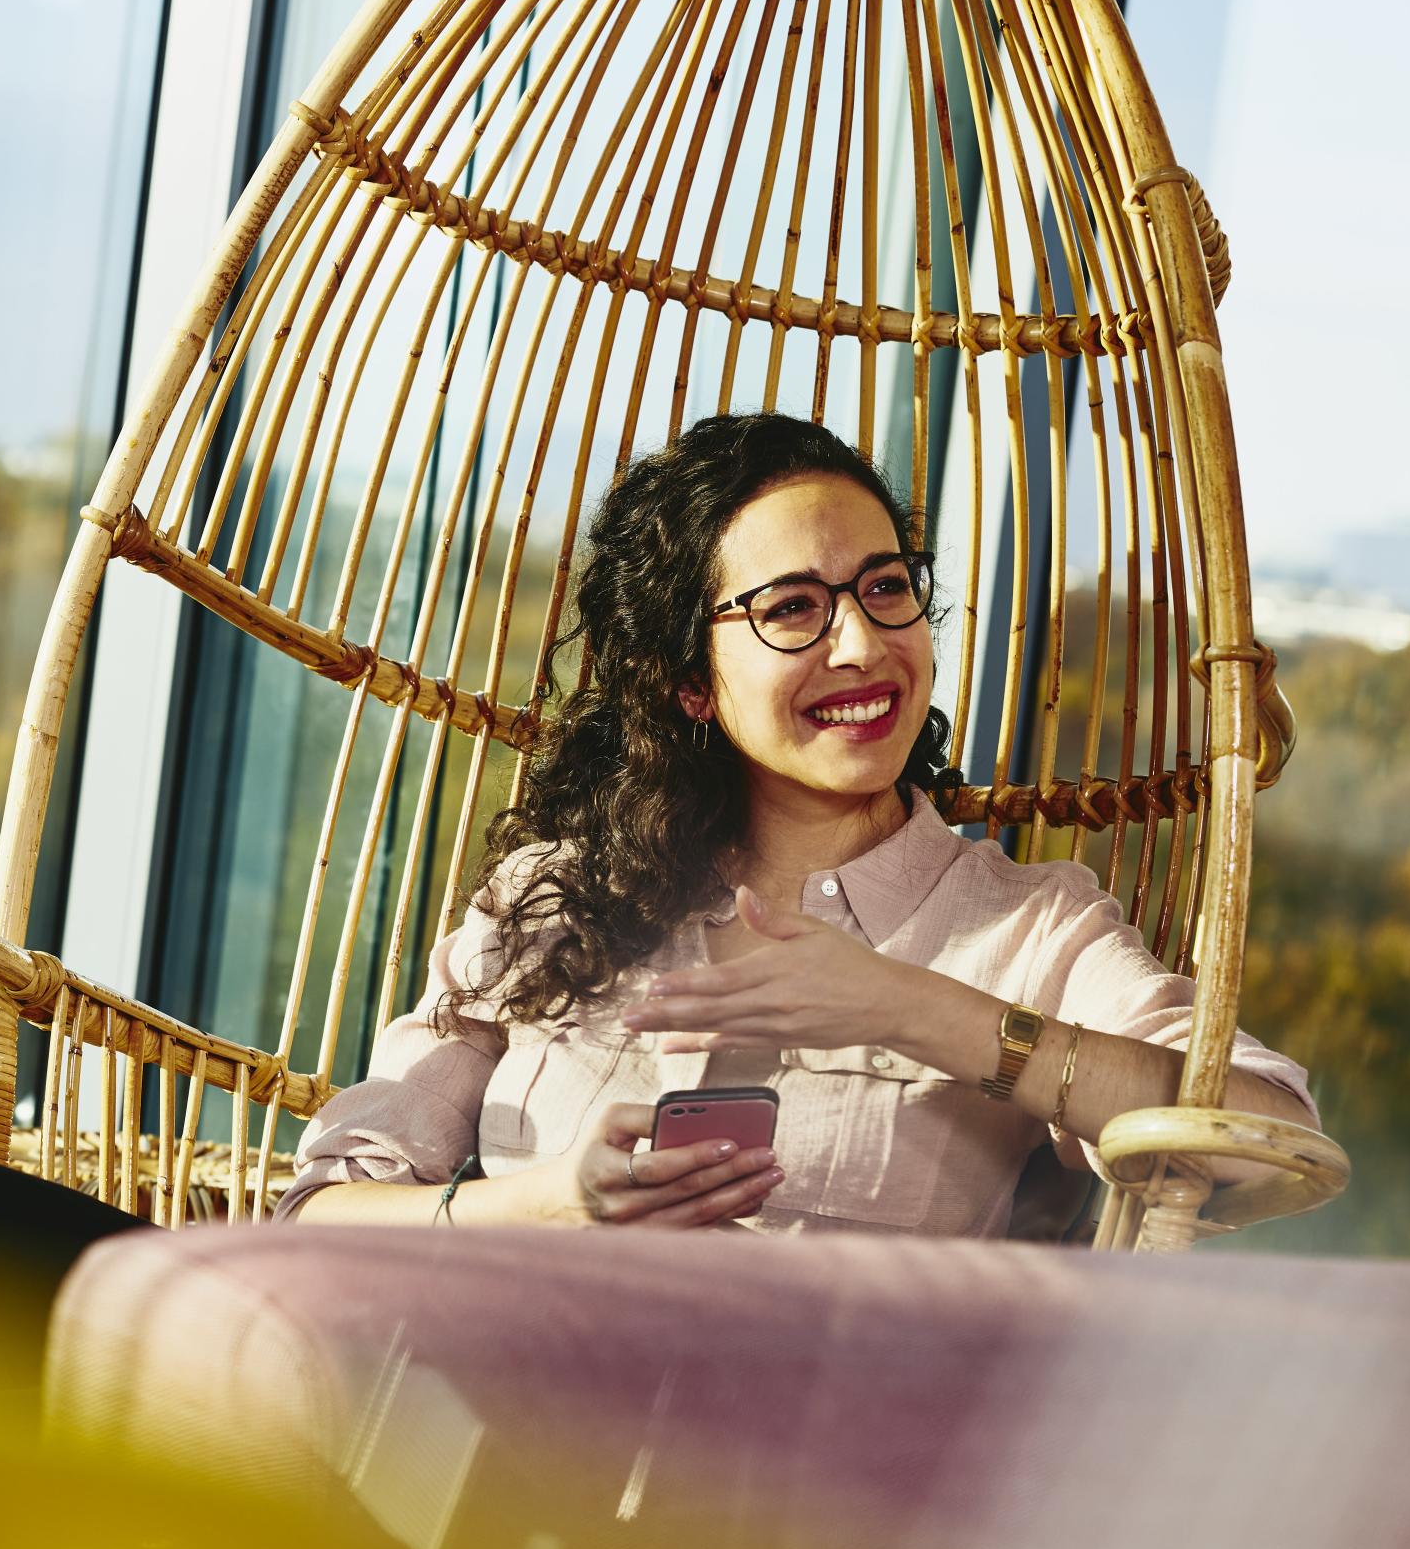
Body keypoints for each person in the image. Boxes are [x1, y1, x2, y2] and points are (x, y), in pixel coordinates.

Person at [282, 410, 1315, 1235]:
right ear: (690, 679)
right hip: (485, 1460)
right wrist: (543, 1206)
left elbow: (1266, 1137)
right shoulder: (552, 900)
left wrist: (912, 1009)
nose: (864, 645)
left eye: (886, 588)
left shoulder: (1032, 930)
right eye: (793, 609)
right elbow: (319, 1219)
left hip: (835, 1489)